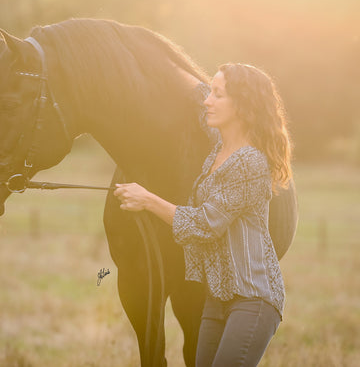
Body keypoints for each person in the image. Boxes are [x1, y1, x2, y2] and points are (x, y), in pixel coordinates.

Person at [114, 63, 293, 367]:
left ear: (242, 106)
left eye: (218, 94)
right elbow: (198, 98)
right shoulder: (218, 148)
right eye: (210, 92)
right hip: (218, 299)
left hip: (253, 299)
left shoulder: (249, 163)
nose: (209, 100)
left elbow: (205, 224)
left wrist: (147, 199)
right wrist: (165, 66)